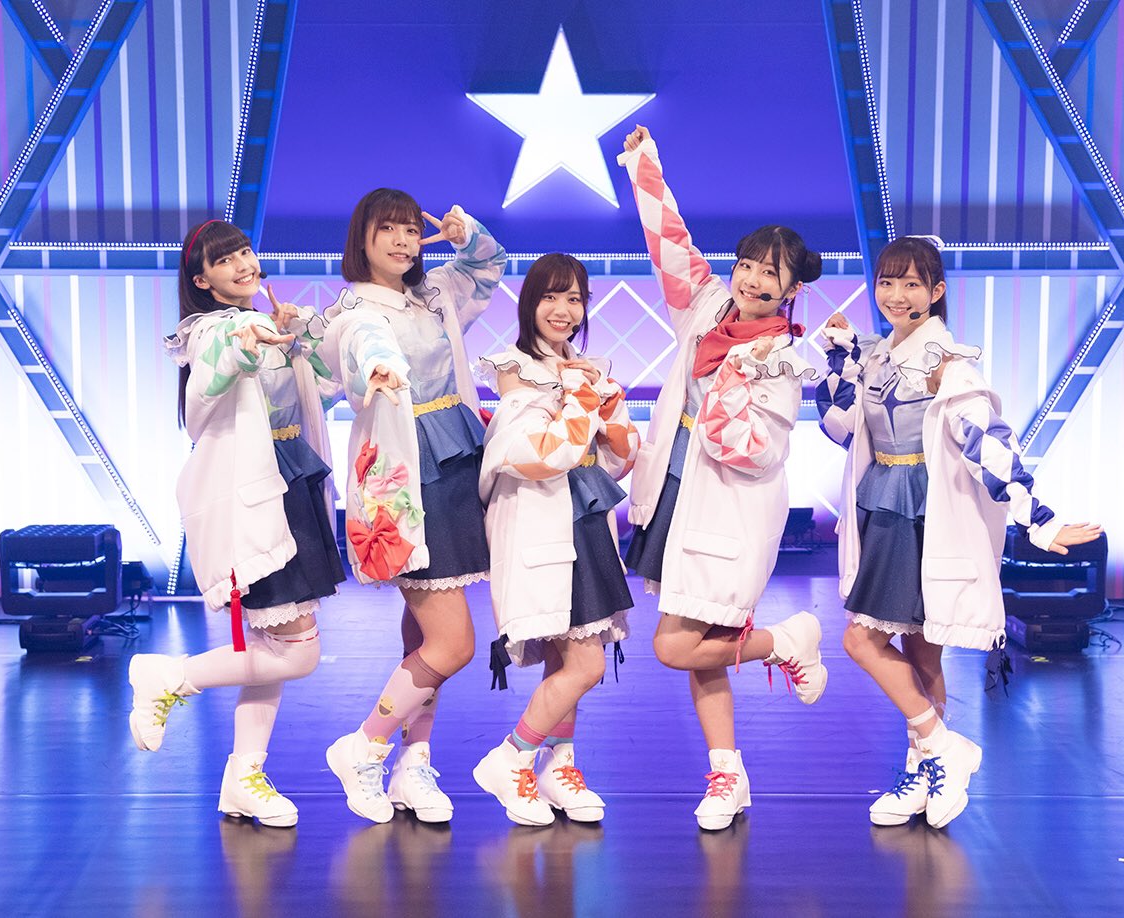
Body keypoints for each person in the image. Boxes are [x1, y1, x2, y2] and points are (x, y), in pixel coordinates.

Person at [816, 235, 1102, 828]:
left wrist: (1038, 519)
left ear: (936, 291)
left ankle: (942, 750)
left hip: (925, 512)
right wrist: (840, 361)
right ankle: (929, 769)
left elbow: (986, 442)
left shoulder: (948, 363)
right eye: (887, 282)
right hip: (881, 505)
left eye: (912, 283)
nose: (897, 295)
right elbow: (840, 428)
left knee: (869, 642)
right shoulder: (876, 356)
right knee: (920, 651)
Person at [618, 125, 828, 831]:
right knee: (700, 650)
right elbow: (668, 241)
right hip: (674, 495)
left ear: (792, 289)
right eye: (747, 264)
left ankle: (787, 639)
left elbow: (761, 452)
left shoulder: (782, 359)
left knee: (675, 646)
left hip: (729, 510)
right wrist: (644, 163)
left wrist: (725, 406)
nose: (753, 280)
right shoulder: (706, 306)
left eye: (771, 273)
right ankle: (726, 775)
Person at [128, 219, 346, 828]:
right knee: (298, 653)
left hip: (290, 478)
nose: (244, 264)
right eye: (225, 260)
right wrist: (252, 338)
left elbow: (323, 391)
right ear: (202, 280)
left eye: (245, 251)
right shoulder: (211, 330)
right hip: (256, 494)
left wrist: (298, 340)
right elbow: (214, 373)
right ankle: (170, 675)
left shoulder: (260, 320)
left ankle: (243, 777)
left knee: (274, 644)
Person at [316, 188, 506, 824]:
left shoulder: (434, 293)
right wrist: (375, 368)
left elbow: (489, 263)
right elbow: (354, 347)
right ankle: (365, 746)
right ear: (361, 239)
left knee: (424, 634)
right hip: (408, 476)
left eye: (409, 230)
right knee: (452, 643)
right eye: (387, 230)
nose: (402, 241)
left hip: (457, 461)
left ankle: (412, 762)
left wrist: (464, 231)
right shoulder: (352, 311)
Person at [471, 252, 640, 826]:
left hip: (586, 520)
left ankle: (558, 766)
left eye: (575, 298)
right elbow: (542, 454)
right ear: (529, 302)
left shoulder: (585, 369)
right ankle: (511, 757)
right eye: (550, 296)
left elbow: (620, 456)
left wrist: (604, 401)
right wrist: (583, 398)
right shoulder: (514, 368)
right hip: (541, 520)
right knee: (585, 664)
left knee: (571, 658)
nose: (564, 310)